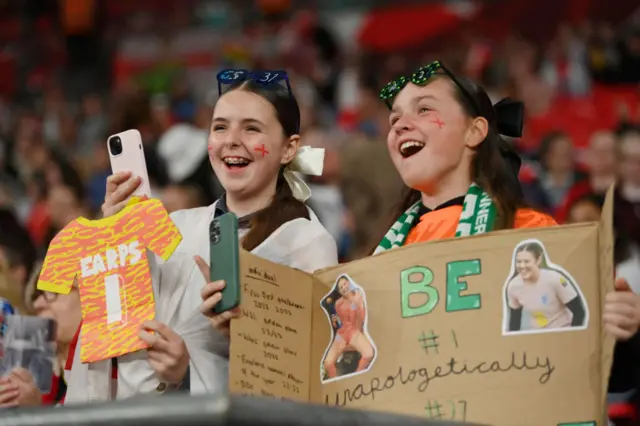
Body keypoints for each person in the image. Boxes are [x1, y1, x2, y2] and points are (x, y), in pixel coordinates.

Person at [87, 69, 338, 402]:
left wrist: (199, 363)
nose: (231, 140)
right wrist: (114, 238)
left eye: (251, 128)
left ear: (289, 148)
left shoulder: (306, 243)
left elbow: (312, 373)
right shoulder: (174, 226)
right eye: (220, 127)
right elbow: (116, 329)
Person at [373, 60, 640, 342]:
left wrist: (622, 336)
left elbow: (580, 356)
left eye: (424, 109)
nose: (400, 125)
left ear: (475, 131)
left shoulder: (532, 235)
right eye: (394, 119)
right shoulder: (385, 252)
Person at [506, 242, 586, 332]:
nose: (522, 266)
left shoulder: (555, 279)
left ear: (538, 260)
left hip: (562, 330)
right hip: (537, 335)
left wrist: (571, 337)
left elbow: (579, 312)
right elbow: (514, 322)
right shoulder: (513, 286)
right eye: (519, 262)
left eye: (526, 261)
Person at [322, 275, 374, 379]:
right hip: (341, 334)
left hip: (354, 332)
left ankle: (357, 375)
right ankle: (335, 382)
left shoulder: (359, 296)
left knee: (368, 354)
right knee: (327, 363)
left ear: (349, 283)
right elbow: (338, 323)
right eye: (341, 288)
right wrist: (334, 321)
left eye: (345, 284)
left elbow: (362, 319)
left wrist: (358, 305)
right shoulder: (338, 304)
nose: (344, 288)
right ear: (339, 292)